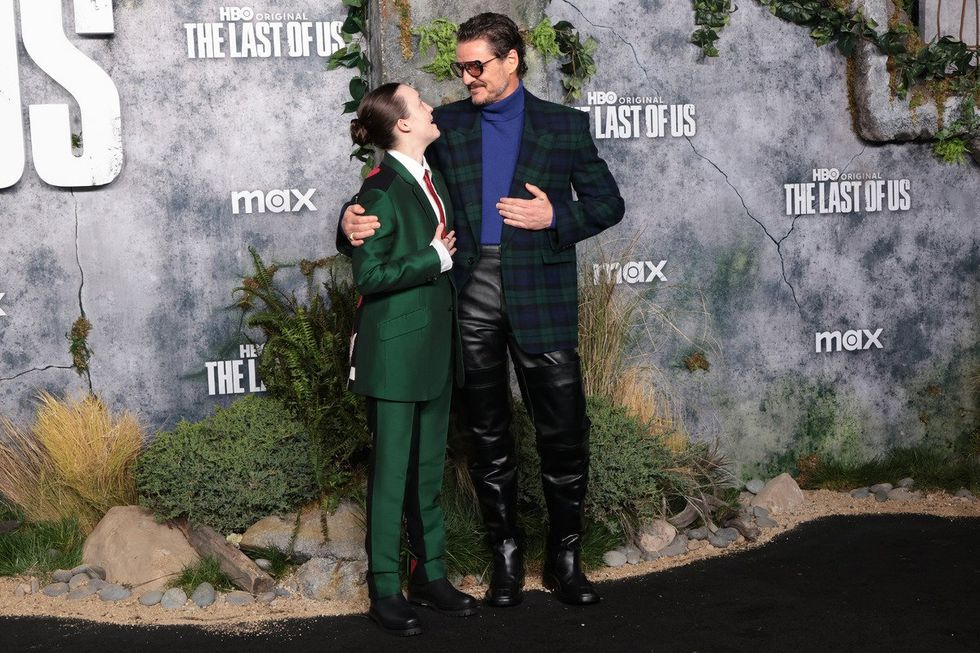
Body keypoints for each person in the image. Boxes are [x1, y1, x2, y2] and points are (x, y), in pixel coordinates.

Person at [339, 13, 625, 607]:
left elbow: (608, 202)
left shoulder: (563, 126)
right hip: (467, 296)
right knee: (488, 433)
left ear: (512, 60)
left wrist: (556, 218)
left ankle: (566, 558)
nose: (467, 77)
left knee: (563, 431)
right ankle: (506, 560)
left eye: (478, 66)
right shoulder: (447, 125)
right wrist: (348, 224)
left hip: (541, 294)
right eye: (460, 67)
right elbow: (395, 186)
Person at [346, 81, 477, 636]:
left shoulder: (430, 176)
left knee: (426, 470)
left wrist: (435, 258)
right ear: (402, 124)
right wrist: (432, 258)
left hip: (434, 351)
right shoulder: (377, 192)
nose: (430, 106)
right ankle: (383, 587)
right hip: (395, 355)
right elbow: (370, 276)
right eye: (420, 102)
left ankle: (430, 575)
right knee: (392, 475)